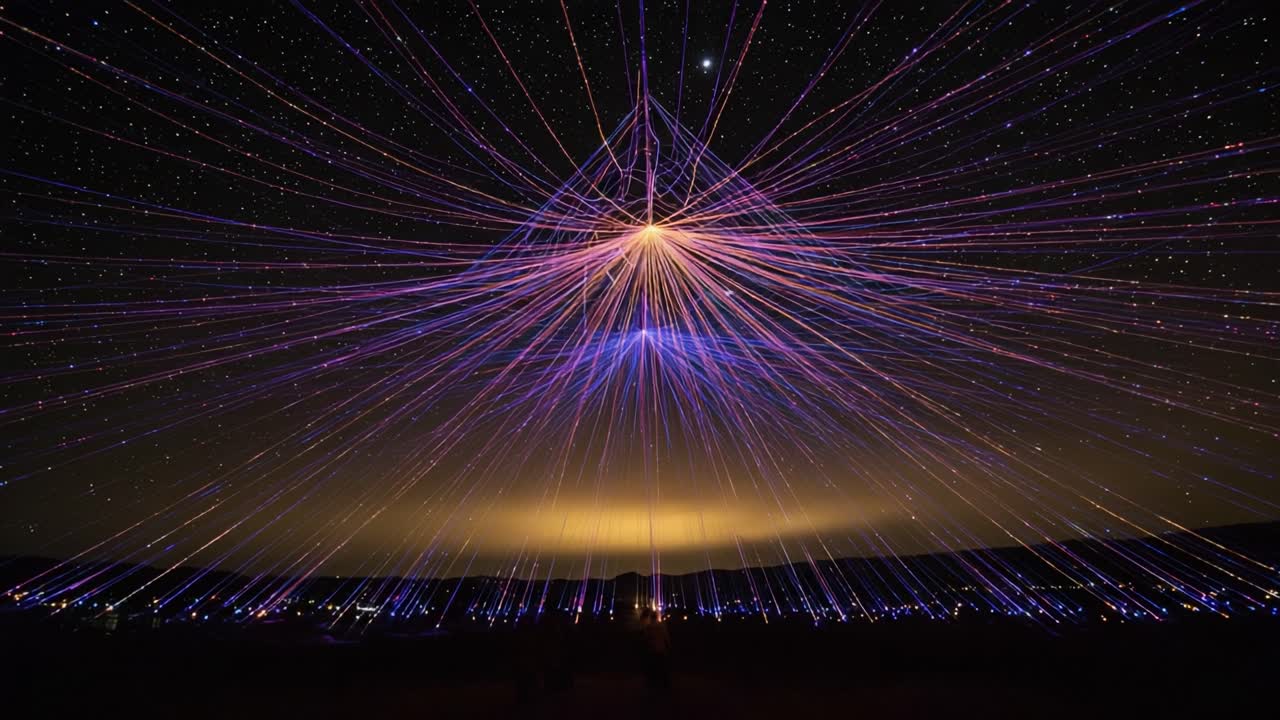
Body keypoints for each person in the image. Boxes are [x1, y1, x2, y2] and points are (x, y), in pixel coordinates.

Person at [639, 608, 672, 690]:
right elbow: (666, 637)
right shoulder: (662, 626)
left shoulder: (649, 627)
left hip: (652, 650)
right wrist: (669, 646)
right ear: (657, 617)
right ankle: (665, 686)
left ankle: (652, 686)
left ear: (651, 617)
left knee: (653, 668)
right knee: (663, 668)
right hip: (661, 649)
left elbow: (646, 638)